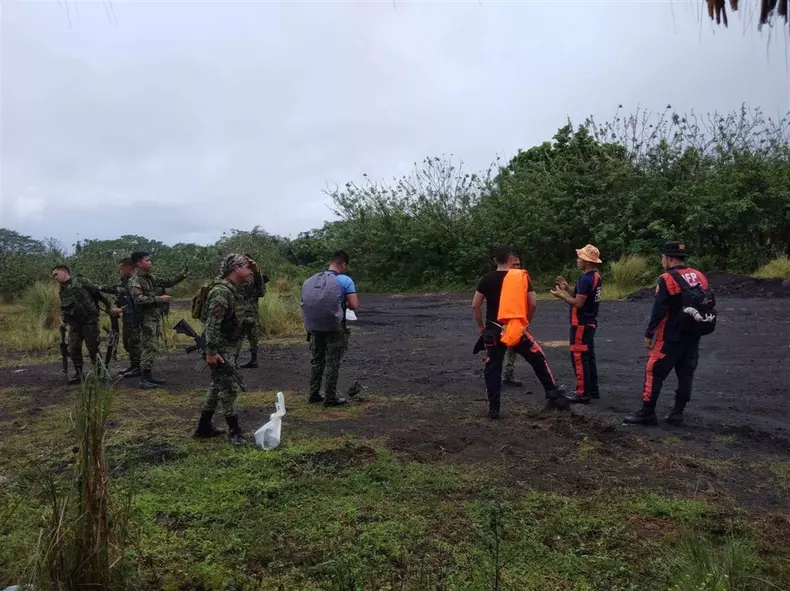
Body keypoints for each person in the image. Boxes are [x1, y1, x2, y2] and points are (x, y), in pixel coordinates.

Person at [473, 246, 566, 419]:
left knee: (492, 368)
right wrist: (526, 323)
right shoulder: (520, 277)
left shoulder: (486, 279)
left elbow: (475, 305)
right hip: (516, 328)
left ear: (495, 261)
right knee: (537, 358)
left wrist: (481, 327)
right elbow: (533, 303)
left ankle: (494, 409)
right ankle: (552, 393)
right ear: (511, 259)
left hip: (493, 329)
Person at [623, 241, 709, 426]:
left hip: (670, 335)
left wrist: (649, 334)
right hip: (693, 334)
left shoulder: (666, 279)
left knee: (653, 371)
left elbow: (659, 310)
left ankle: (647, 412)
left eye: (662, 257)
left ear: (669, 258)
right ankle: (678, 413)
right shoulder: (700, 276)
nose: (661, 260)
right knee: (686, 375)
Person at [193, 253, 252, 445]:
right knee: (228, 388)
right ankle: (235, 432)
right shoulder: (221, 292)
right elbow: (212, 324)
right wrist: (211, 352)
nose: (249, 270)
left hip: (227, 345)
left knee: (217, 386)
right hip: (219, 346)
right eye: (246, 266)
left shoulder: (233, 289)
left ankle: (203, 427)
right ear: (235, 269)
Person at [300, 250, 359, 407]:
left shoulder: (312, 280)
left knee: (317, 360)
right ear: (343, 263)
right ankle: (330, 397)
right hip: (334, 327)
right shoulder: (345, 280)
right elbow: (354, 305)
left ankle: (313, 394)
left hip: (314, 327)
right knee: (332, 361)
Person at [551, 244, 603, 403]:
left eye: (580, 258)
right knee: (589, 357)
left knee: (579, 357)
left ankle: (582, 393)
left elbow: (579, 303)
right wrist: (567, 289)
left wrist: (561, 296)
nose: (577, 260)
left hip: (581, 323)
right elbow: (581, 297)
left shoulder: (587, 279)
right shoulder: (595, 277)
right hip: (589, 322)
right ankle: (592, 390)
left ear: (587, 261)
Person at [128, 251, 188, 389]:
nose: (150, 263)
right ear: (139, 263)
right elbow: (138, 299)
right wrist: (159, 299)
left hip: (153, 317)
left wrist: (181, 277)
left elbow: (166, 282)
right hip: (145, 318)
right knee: (149, 347)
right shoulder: (135, 280)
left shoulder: (150, 277)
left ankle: (148, 375)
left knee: (152, 347)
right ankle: (144, 378)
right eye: (147, 260)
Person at [52, 264, 121, 384]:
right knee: (73, 348)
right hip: (74, 324)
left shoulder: (81, 281)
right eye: (53, 276)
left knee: (93, 348)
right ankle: (79, 375)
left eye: (56, 274)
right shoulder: (62, 291)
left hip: (89, 322)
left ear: (64, 271)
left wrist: (109, 307)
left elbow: (98, 295)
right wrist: (63, 320)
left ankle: (100, 373)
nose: (55, 278)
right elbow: (64, 307)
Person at [99, 258, 142, 378]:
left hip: (136, 317)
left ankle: (138, 367)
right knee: (128, 343)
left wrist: (121, 309)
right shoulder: (124, 281)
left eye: (121, 268)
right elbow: (116, 289)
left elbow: (136, 301)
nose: (120, 271)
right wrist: (100, 287)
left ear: (129, 267)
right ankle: (134, 366)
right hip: (128, 317)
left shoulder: (137, 281)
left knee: (134, 343)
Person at [234, 253, 266, 369]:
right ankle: (253, 359)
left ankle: (234, 359)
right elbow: (261, 292)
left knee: (238, 336)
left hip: (240, 311)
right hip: (250, 310)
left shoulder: (237, 276)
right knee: (252, 337)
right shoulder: (254, 276)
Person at [502, 257, 523, 387]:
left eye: (518, 264)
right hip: (503, 320)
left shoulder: (521, 279)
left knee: (512, 349)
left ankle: (508, 375)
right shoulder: (503, 279)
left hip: (515, 321)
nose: (517, 267)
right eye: (514, 264)